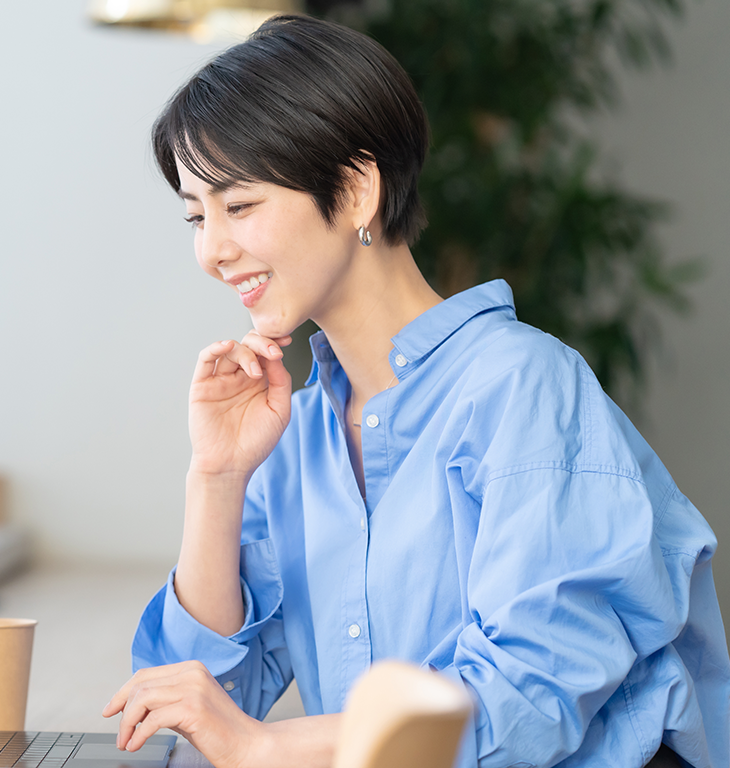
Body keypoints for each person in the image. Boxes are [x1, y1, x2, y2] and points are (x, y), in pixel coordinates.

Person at [100, 14, 729, 768]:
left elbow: (528, 699)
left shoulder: (522, 387)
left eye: (239, 207)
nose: (212, 250)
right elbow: (198, 708)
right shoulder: (297, 434)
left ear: (357, 189)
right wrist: (218, 475)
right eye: (196, 217)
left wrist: (266, 747)